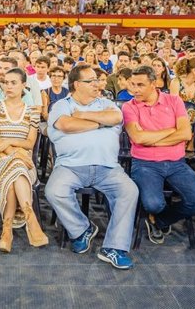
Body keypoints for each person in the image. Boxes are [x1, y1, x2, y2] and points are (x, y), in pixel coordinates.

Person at [45, 64, 138, 270]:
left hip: (108, 167)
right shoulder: (62, 105)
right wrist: (99, 123)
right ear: (77, 84)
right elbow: (65, 125)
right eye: (91, 81)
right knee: (53, 191)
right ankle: (81, 229)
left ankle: (114, 247)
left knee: (129, 191)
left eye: (97, 79)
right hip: (71, 166)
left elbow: (115, 118)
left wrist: (82, 116)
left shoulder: (106, 103)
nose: (97, 84)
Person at [123, 66, 195, 244]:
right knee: (154, 204)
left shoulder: (174, 100)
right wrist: (170, 131)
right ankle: (157, 214)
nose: (135, 89)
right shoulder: (129, 107)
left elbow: (185, 134)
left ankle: (159, 220)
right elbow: (137, 137)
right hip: (145, 164)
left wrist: (150, 140)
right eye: (133, 84)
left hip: (177, 163)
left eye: (140, 85)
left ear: (153, 84)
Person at [0, 68, 48, 252]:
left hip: (22, 162)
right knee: (16, 165)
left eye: (13, 82)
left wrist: (10, 142)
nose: (8, 86)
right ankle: (31, 218)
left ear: (24, 85)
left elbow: (29, 143)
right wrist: (17, 152)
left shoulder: (33, 111)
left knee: (16, 169)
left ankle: (7, 230)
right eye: (5, 82)